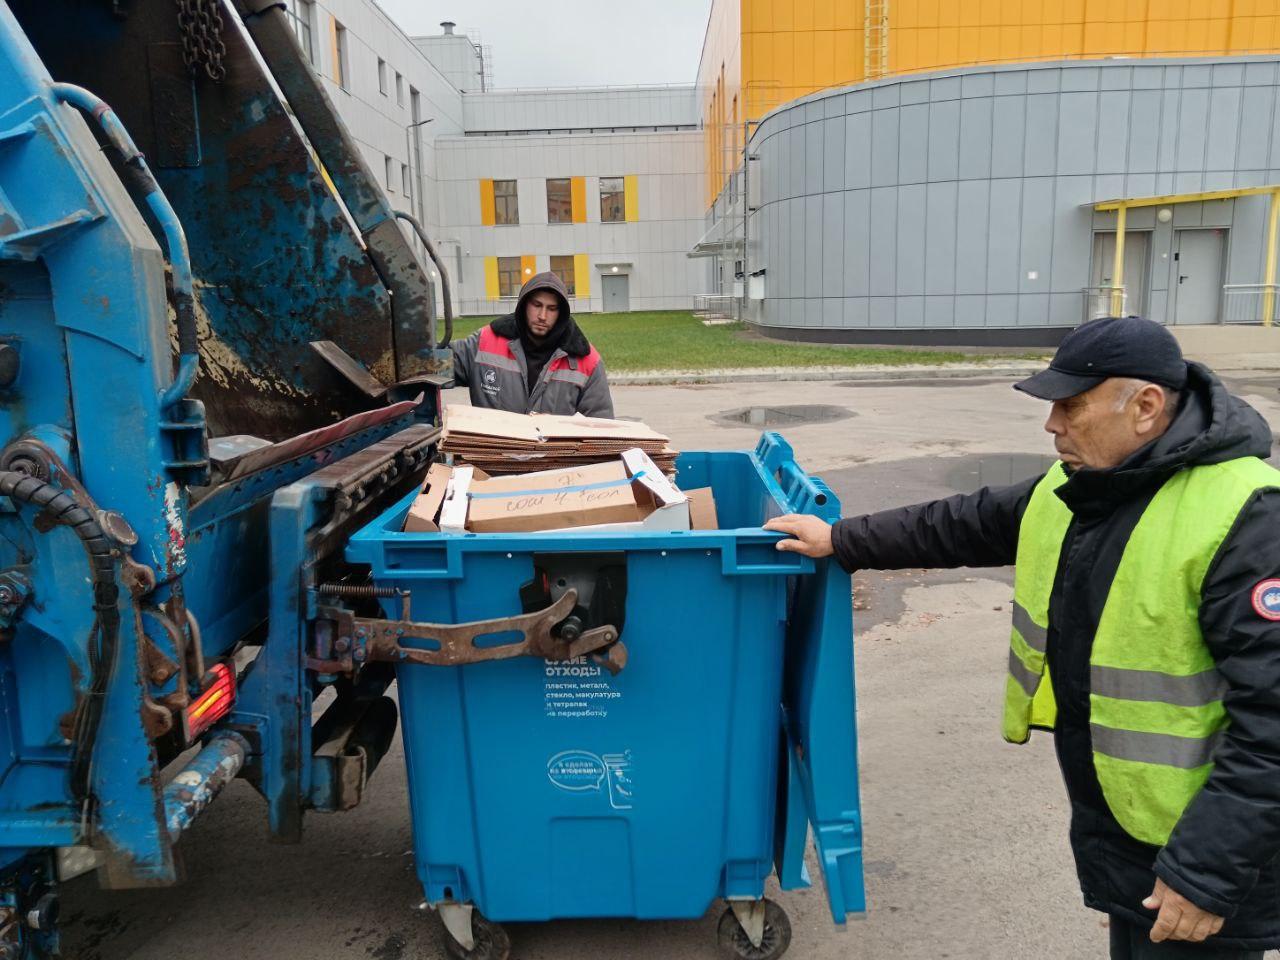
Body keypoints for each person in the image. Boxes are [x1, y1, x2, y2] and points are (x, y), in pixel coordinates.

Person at [765, 316, 1280, 959]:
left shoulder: (1246, 515)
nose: (1052, 425)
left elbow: (1271, 724)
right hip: (1129, 828)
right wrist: (840, 539)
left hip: (1206, 851)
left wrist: (1206, 874)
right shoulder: (1089, 486)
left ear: (1146, 407)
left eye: (1071, 405)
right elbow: (964, 523)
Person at [451, 271, 613, 417]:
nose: (542, 316)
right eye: (537, 305)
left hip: (553, 451)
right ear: (524, 305)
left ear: (561, 313)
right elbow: (435, 367)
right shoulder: (485, 342)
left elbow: (601, 427)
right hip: (495, 451)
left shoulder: (587, 362)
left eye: (551, 308)